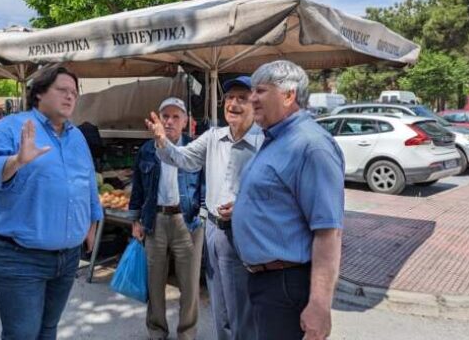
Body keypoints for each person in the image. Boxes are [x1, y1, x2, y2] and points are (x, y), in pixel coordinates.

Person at [0, 66, 103, 340]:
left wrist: (92, 221)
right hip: (18, 256)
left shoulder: (76, 135)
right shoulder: (12, 127)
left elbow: (88, 179)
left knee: (48, 329)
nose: (70, 97)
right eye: (62, 90)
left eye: (74, 93)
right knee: (23, 334)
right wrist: (16, 161)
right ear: (40, 92)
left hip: (67, 258)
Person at [232, 60, 345, 340]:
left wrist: (319, 305)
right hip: (265, 282)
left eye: (260, 91)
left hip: (285, 286)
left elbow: (328, 232)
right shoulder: (276, 138)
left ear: (288, 95)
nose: (252, 98)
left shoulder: (311, 146)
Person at [146, 76, 262, 340]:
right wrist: (162, 141)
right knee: (220, 307)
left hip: (245, 232)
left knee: (242, 308)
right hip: (213, 230)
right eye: (229, 98)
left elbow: (275, 193)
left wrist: (245, 207)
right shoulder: (212, 137)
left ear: (255, 104)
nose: (233, 104)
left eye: (242, 98)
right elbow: (184, 159)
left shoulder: (265, 142)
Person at [129, 97, 205, 340]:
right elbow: (138, 188)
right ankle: (157, 330)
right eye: (165, 117)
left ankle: (187, 333)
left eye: (175, 117)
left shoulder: (195, 148)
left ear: (185, 121)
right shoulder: (147, 150)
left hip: (187, 220)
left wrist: (203, 215)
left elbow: (205, 184)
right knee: (154, 281)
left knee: (189, 284)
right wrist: (135, 220)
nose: (170, 121)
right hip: (156, 220)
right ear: (159, 120)